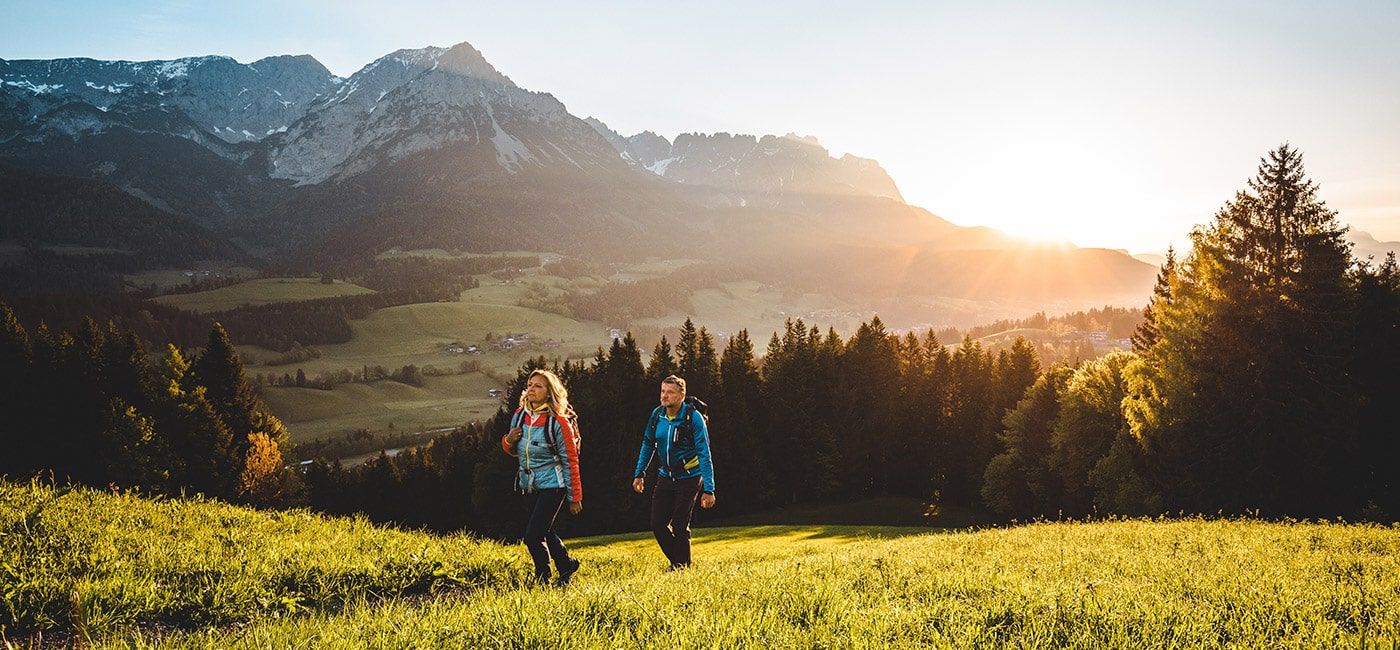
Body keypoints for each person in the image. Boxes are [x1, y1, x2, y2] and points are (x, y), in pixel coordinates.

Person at [501, 369, 583, 586]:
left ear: (550, 392)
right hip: (529, 484)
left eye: (538, 386)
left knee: (532, 535)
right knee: (544, 529)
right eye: (530, 384)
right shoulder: (520, 415)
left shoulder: (558, 422)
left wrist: (574, 496)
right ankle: (566, 566)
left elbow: (570, 460)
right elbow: (514, 451)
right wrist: (508, 440)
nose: (531, 389)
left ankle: (542, 578)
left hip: (553, 485)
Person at [632, 374, 715, 570]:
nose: (664, 396)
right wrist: (639, 473)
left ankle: (680, 567)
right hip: (665, 476)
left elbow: (704, 453)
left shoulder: (693, 418)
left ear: (682, 395)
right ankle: (680, 563)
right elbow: (647, 443)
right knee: (657, 524)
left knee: (679, 525)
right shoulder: (657, 414)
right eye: (662, 391)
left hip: (690, 477)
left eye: (670, 392)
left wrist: (709, 489)